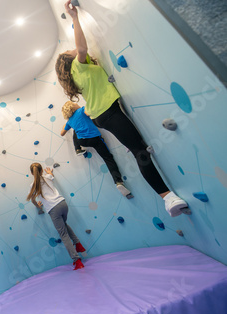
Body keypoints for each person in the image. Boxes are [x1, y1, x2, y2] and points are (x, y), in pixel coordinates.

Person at [55, 0, 188, 217]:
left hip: (103, 114)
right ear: (70, 62)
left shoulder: (80, 73)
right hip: (107, 113)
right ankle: (167, 198)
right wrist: (74, 17)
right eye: (70, 52)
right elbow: (81, 47)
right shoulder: (78, 66)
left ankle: (138, 151)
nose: (73, 50)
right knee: (140, 152)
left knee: (137, 147)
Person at [61, 101, 132, 198]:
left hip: (82, 141)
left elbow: (62, 133)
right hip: (94, 139)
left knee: (75, 130)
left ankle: (77, 149)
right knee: (108, 159)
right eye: (74, 103)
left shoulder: (69, 121)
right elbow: (90, 112)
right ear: (72, 107)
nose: (77, 103)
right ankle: (118, 182)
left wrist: (71, 123)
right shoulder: (82, 110)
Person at [27, 163, 85, 270]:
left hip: (54, 209)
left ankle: (77, 260)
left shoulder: (33, 185)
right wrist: (50, 173)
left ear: (31, 173)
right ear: (41, 171)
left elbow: (33, 200)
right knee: (64, 225)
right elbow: (51, 176)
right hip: (63, 204)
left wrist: (39, 206)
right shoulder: (47, 177)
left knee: (63, 235)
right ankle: (78, 244)